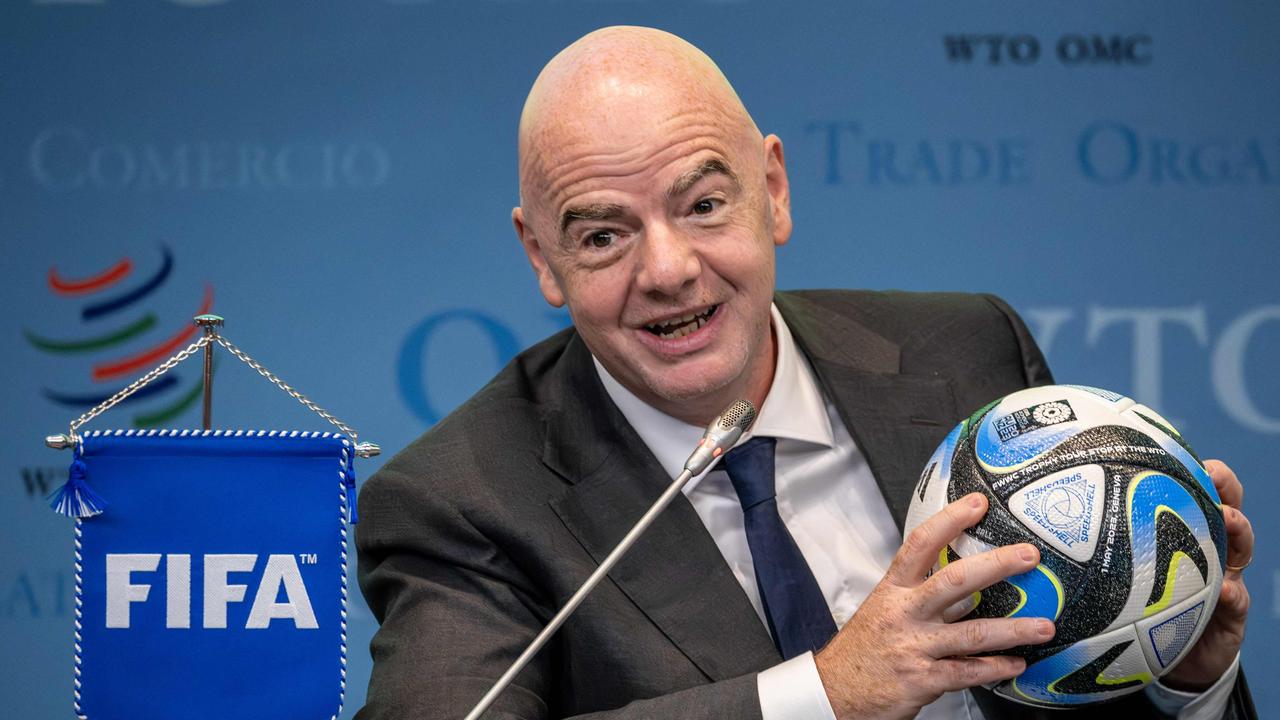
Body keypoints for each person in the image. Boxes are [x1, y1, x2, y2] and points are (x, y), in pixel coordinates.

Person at [356, 26, 1255, 720]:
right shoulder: (462, 500)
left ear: (773, 191)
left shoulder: (970, 355)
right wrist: (825, 695)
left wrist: (1184, 680)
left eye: (704, 204)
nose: (667, 269)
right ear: (541, 257)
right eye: (603, 235)